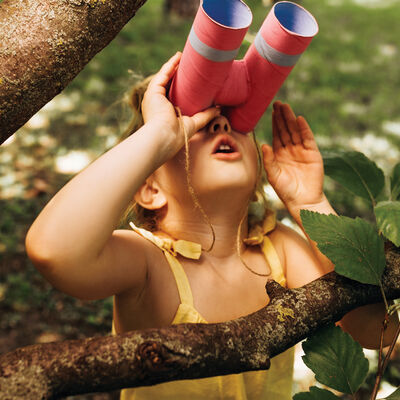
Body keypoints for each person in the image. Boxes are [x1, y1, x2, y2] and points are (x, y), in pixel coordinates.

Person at [26, 52, 398, 399]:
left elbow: (376, 327)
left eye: (235, 120)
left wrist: (309, 203)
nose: (220, 122)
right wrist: (159, 135)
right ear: (149, 187)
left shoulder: (280, 249)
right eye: (192, 125)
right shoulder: (149, 264)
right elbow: (54, 251)